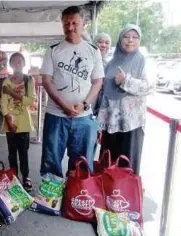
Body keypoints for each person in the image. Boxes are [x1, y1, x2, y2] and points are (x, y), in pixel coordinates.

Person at [39, 6, 104, 177]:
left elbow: (97, 82)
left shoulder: (93, 50)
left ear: (84, 23)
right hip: (56, 116)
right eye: (66, 23)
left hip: (84, 118)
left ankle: (76, 199)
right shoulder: (53, 49)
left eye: (75, 23)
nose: (70, 27)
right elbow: (46, 80)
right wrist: (63, 105)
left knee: (82, 164)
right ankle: (51, 201)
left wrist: (84, 104)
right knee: (51, 162)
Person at [97, 24, 155, 175]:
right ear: (120, 39)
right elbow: (103, 92)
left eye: (135, 37)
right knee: (107, 163)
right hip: (110, 123)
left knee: (126, 166)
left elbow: (150, 87)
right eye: (126, 37)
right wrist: (99, 123)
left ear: (140, 40)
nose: (130, 41)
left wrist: (125, 81)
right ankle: (108, 196)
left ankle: (124, 198)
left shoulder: (143, 61)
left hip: (131, 124)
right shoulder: (111, 63)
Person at [1, 52, 35, 192]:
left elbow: (30, 101)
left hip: (24, 123)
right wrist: (8, 120)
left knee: (23, 152)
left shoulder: (29, 80)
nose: (17, 63)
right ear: (10, 64)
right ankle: (14, 177)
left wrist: (13, 93)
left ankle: (26, 176)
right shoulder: (6, 82)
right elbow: (3, 104)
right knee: (11, 152)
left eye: (20, 61)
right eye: (14, 61)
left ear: (24, 63)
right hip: (10, 123)